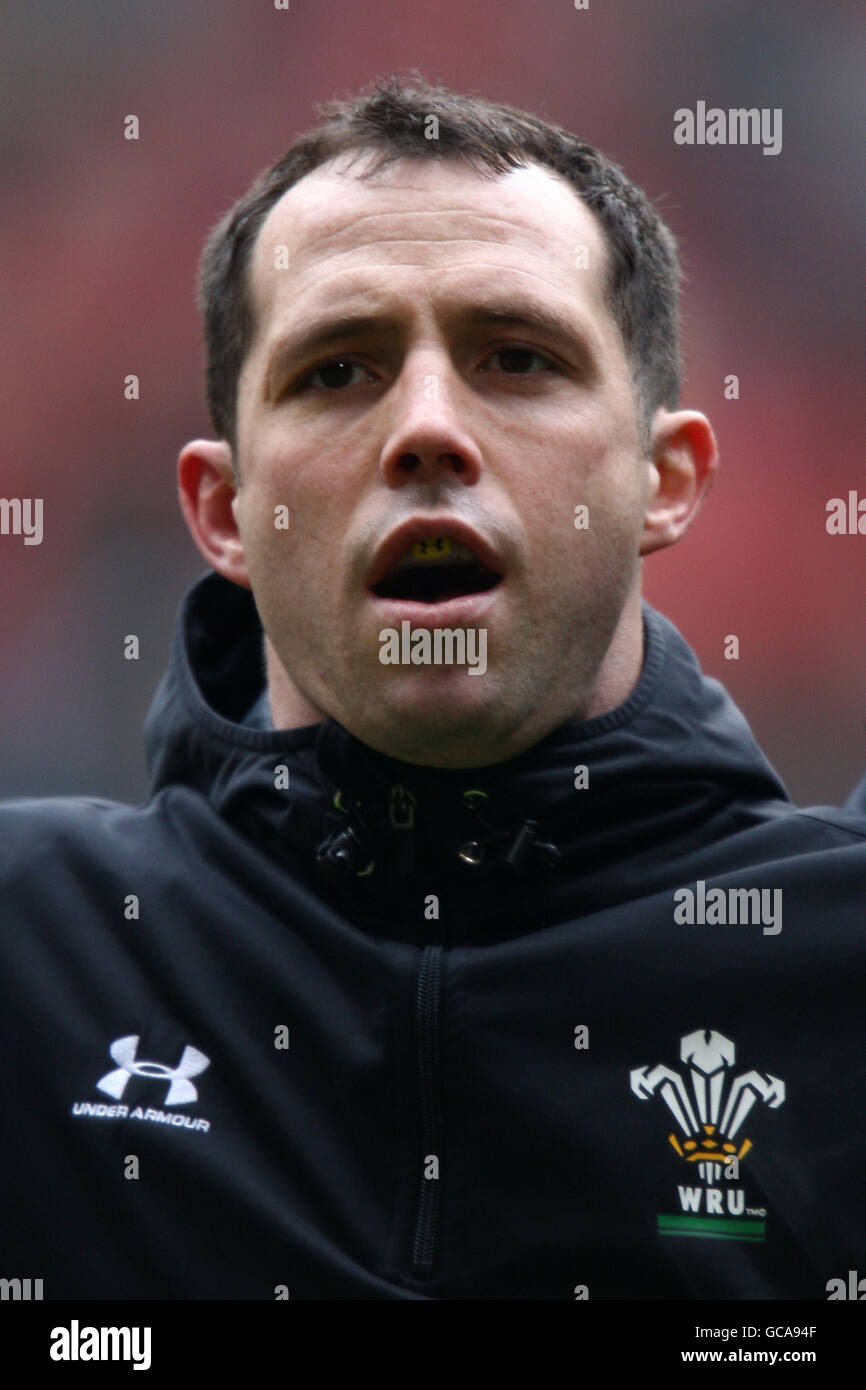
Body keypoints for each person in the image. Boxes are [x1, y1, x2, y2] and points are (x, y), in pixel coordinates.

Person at [2, 76, 864, 1301]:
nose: (425, 427)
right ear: (223, 510)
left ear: (662, 480)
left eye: (516, 358)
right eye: (336, 371)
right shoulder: (34, 960)